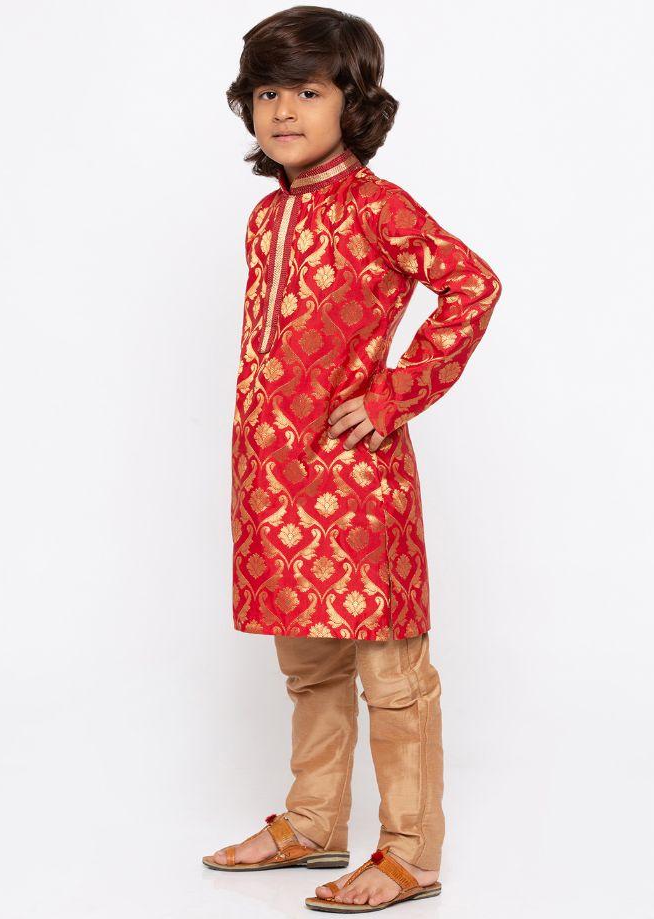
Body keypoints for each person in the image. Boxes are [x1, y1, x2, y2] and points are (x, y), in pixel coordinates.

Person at [202, 6, 502, 912]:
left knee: (393, 676)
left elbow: (473, 284)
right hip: (274, 479)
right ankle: (312, 823)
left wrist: (391, 396)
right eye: (267, 92)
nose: (284, 110)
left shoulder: (379, 206)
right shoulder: (266, 217)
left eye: (307, 90)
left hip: (355, 478)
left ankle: (410, 854)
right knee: (310, 667)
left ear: (352, 103)